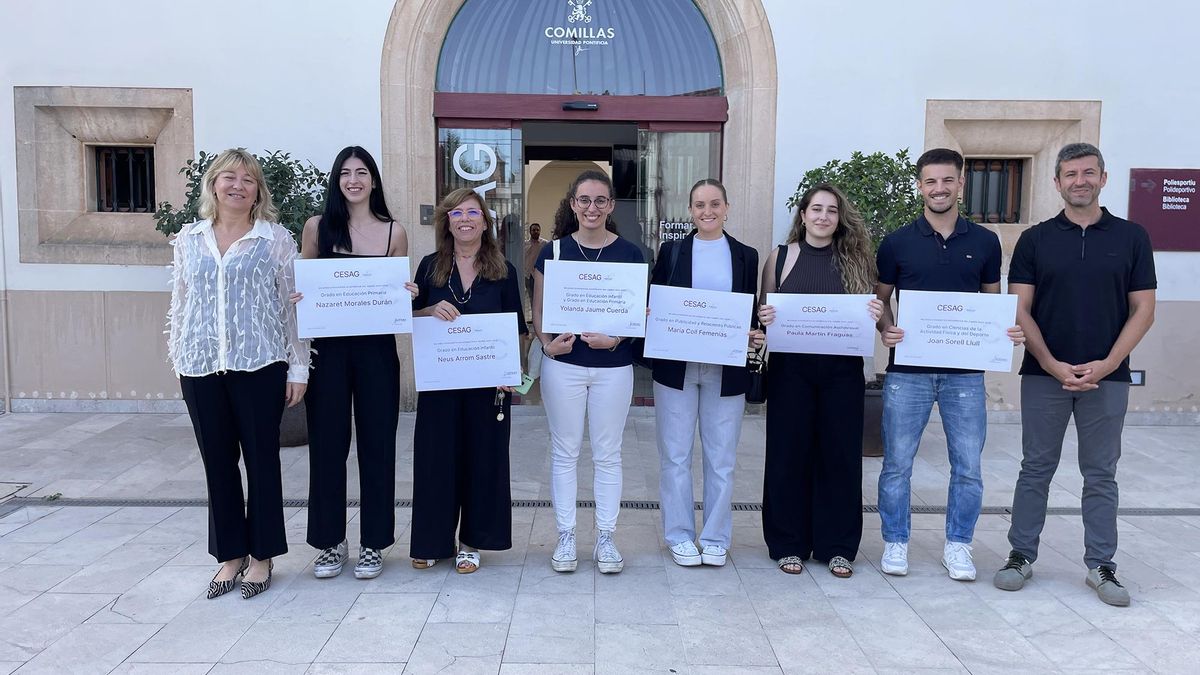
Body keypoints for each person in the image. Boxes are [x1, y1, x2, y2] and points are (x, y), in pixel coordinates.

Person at [993, 143, 1156, 606]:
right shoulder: (1036, 239)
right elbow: (1019, 308)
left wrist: (1107, 364)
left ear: (1104, 178)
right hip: (1045, 375)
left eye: (1088, 173)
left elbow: (1143, 310)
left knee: (1101, 473)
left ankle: (1101, 565)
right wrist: (1050, 363)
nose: (1079, 180)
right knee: (1035, 468)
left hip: (1109, 377)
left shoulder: (1132, 237)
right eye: (1070, 174)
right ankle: (1020, 555)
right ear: (1057, 182)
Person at [874, 148, 1024, 581]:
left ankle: (959, 546)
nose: (938, 188)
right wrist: (887, 328)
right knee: (897, 464)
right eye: (930, 181)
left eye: (946, 180)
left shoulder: (984, 242)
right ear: (919, 186)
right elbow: (880, 300)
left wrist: (1004, 332)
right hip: (908, 373)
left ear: (961, 184)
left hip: (964, 374)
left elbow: (991, 304)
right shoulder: (897, 242)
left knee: (968, 466)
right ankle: (895, 542)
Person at [167, 148, 309, 599]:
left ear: (257, 192)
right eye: (229, 177)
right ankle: (230, 555)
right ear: (213, 185)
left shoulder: (275, 240)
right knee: (218, 465)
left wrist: (299, 367)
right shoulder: (189, 239)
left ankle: (263, 556)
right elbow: (182, 301)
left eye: (248, 180)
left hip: (260, 365)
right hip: (201, 366)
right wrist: (179, 358)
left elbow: (293, 309)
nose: (238, 186)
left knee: (262, 462)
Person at [299, 146, 415, 580]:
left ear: (373, 180)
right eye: (345, 173)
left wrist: (406, 297)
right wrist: (299, 297)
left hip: (376, 351)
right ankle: (330, 542)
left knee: (378, 446)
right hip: (327, 352)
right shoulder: (317, 228)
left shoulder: (393, 233)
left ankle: (373, 543)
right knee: (328, 446)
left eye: (362, 172)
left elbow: (395, 292)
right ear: (337, 180)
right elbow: (305, 282)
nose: (354, 180)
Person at [757, 183, 883, 577]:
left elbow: (874, 312)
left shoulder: (859, 258)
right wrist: (764, 318)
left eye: (831, 210)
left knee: (840, 456)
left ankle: (838, 545)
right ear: (803, 214)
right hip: (789, 371)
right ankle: (787, 543)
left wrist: (877, 310)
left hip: (842, 372)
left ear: (839, 217)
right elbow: (763, 307)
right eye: (816, 209)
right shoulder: (779, 258)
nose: (823, 216)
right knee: (786, 456)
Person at [532, 170, 645, 574]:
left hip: (613, 367)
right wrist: (546, 344)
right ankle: (565, 537)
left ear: (611, 205)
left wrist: (614, 341)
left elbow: (634, 318)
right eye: (584, 200)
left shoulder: (632, 254)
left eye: (600, 200)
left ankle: (605, 538)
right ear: (573, 205)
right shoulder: (554, 251)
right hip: (563, 366)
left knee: (608, 453)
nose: (592, 208)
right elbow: (540, 308)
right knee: (564, 452)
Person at [409, 187, 525, 573]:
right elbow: (408, 318)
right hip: (440, 385)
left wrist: (513, 373)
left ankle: (472, 541)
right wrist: (426, 308)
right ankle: (431, 541)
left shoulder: (503, 269)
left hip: (488, 386)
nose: (464, 219)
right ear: (447, 221)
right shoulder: (428, 266)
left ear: (485, 221)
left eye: (472, 213)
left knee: (483, 462)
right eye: (456, 213)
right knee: (435, 461)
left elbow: (518, 329)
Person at [651, 179, 762, 568]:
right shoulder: (672, 251)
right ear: (690, 210)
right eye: (699, 205)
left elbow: (750, 311)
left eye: (715, 204)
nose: (707, 211)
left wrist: (753, 332)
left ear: (727, 208)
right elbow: (655, 298)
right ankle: (679, 535)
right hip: (676, 369)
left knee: (721, 458)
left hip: (725, 369)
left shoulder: (747, 255)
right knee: (676, 456)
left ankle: (715, 537)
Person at [523, 222, 549, 303]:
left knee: (541, 298)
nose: (536, 232)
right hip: (528, 275)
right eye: (533, 230)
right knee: (532, 298)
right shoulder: (525, 244)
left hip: (540, 274)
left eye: (537, 230)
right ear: (530, 231)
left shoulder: (545, 244)